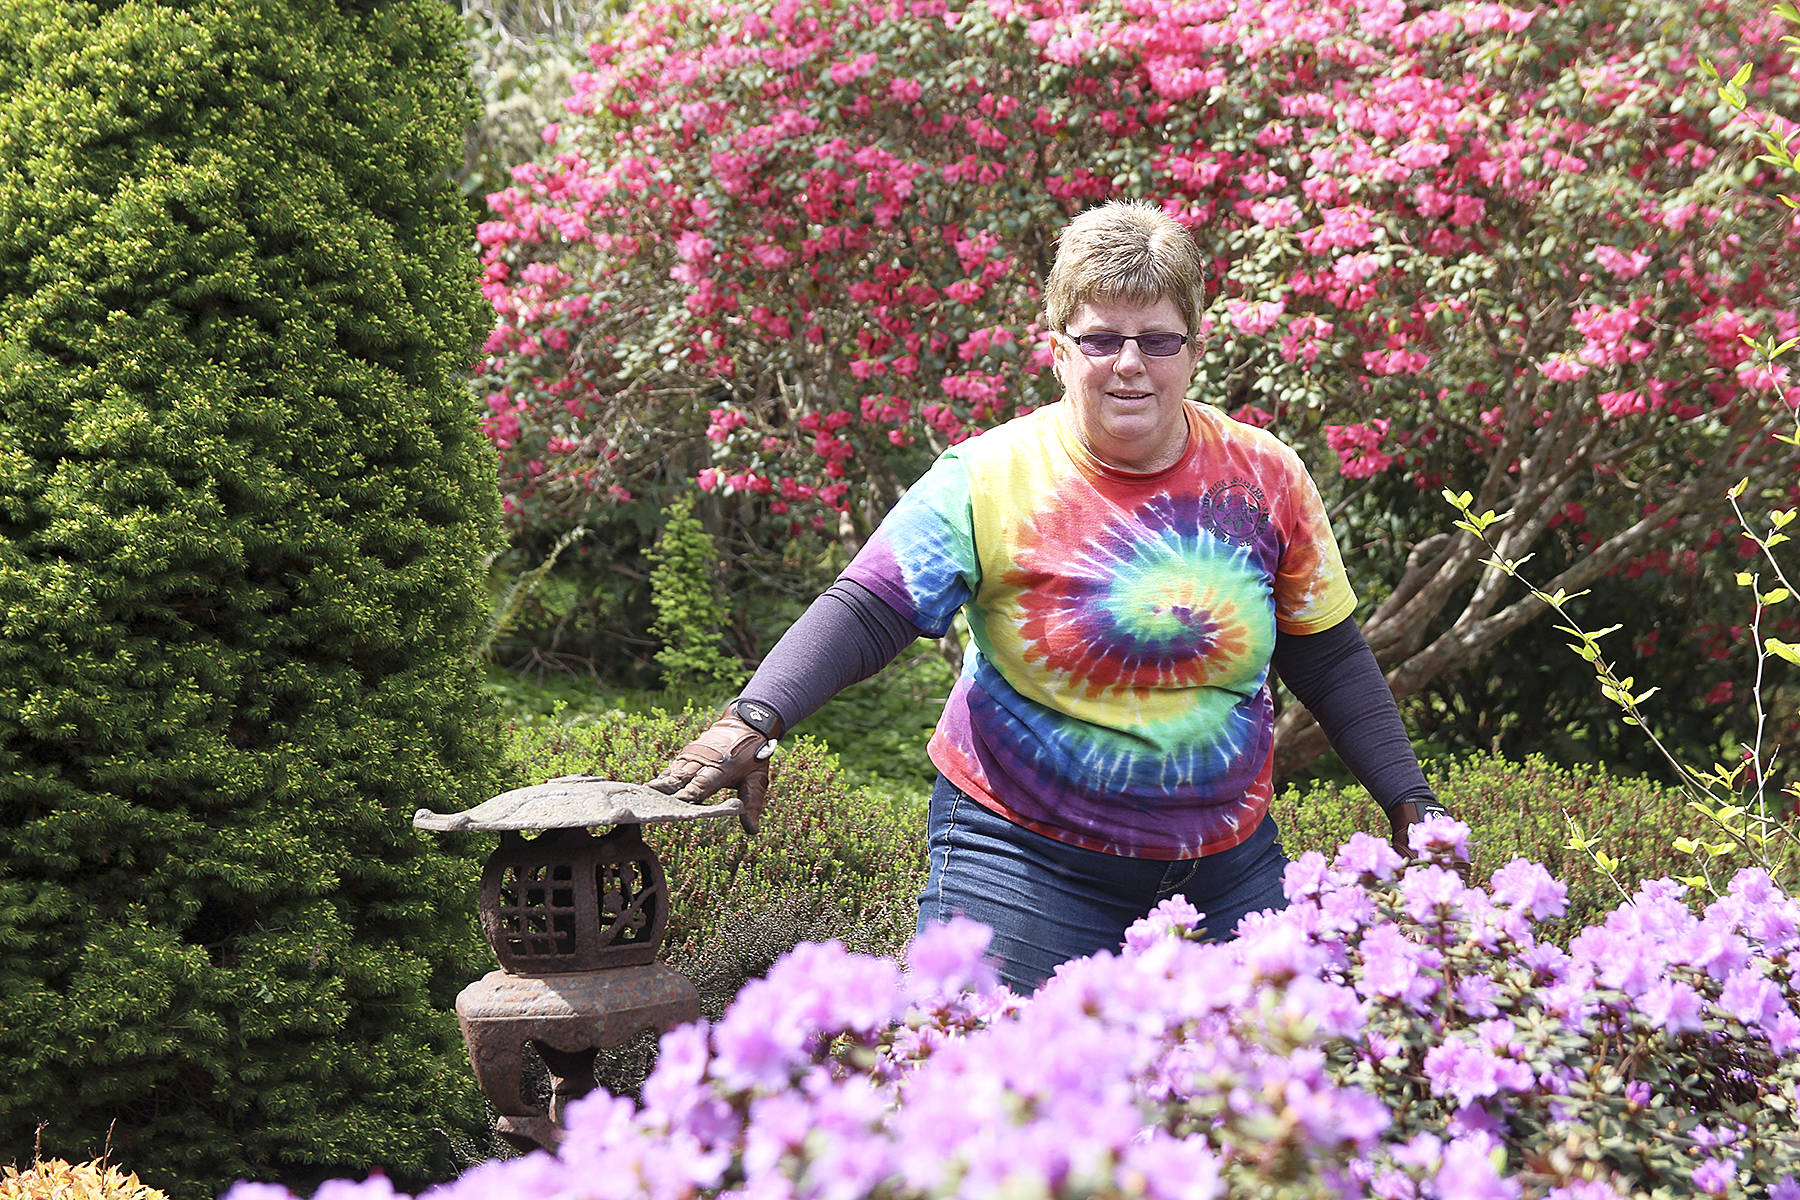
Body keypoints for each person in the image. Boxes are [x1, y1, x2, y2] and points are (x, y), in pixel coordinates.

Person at [648, 200, 1452, 992]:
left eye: (1157, 339)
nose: (1130, 362)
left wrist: (1411, 803)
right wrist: (753, 718)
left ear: (1195, 348)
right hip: (1021, 862)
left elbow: (1329, 654)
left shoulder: (1267, 476)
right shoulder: (988, 476)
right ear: (1059, 350)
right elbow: (870, 604)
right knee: (984, 1099)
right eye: (1101, 338)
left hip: (1227, 875)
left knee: (1257, 1109)